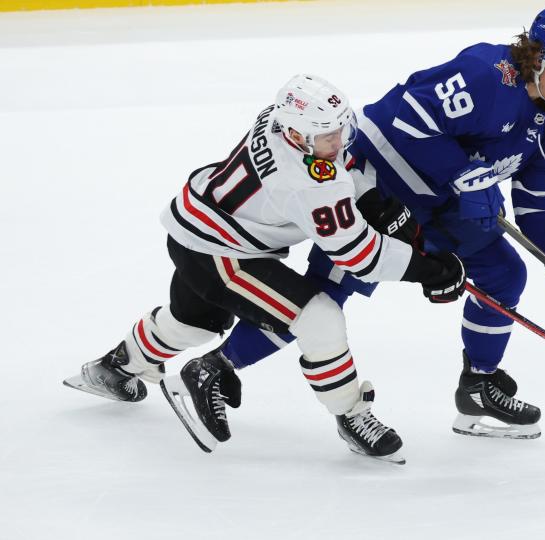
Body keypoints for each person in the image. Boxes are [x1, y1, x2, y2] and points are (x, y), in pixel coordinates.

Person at [209, 5, 545, 440]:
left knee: (505, 273)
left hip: (447, 202)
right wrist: (467, 176)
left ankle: (478, 385)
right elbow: (407, 117)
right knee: (328, 295)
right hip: (380, 186)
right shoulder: (485, 75)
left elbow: (541, 197)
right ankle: (218, 366)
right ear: (539, 56)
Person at [63, 74, 467, 464]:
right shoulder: (308, 183)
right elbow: (358, 256)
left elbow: (338, 165)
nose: (338, 141)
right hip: (222, 251)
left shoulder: (278, 118)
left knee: (193, 323)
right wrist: (429, 269)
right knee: (319, 318)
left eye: (341, 129)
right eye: (328, 136)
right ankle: (351, 414)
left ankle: (114, 368)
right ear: (296, 135)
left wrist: (367, 195)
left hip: (197, 225)